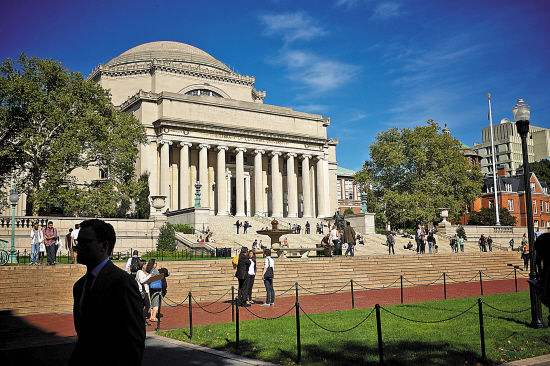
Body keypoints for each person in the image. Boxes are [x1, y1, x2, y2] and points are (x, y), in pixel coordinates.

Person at [70, 219, 145, 365]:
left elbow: (134, 340)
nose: (78, 247)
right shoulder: (79, 286)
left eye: (85, 242)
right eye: (78, 241)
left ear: (104, 246)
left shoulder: (122, 283)